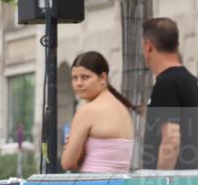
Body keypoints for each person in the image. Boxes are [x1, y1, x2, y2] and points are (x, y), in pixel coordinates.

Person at [60, 51, 135, 173]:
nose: (78, 83)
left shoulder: (88, 111)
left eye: (85, 77)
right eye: (74, 78)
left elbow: (67, 163)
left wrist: (77, 150)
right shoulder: (123, 108)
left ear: (103, 78)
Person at [141, 17, 198, 170]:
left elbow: (171, 140)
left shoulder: (166, 84)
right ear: (177, 45)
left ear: (148, 46)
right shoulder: (192, 81)